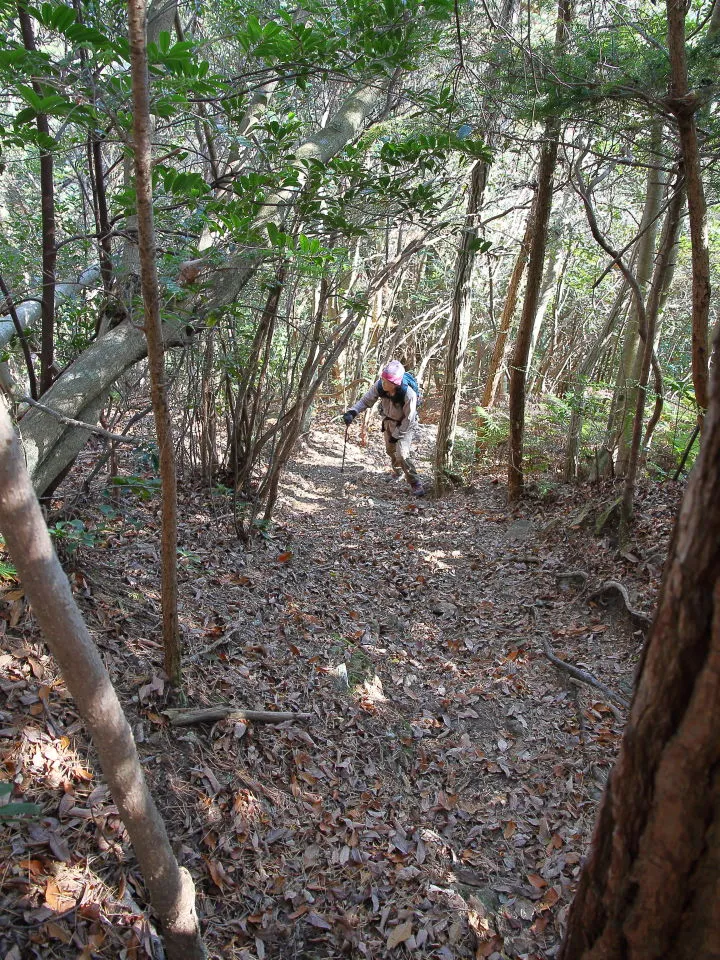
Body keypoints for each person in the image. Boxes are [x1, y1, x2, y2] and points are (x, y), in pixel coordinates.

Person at [343, 360, 425, 496]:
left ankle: (415, 483)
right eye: (382, 379)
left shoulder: (408, 394)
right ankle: (398, 471)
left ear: (395, 383)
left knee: (402, 454)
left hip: (405, 425)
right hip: (388, 422)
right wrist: (353, 412)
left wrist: (396, 435)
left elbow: (409, 419)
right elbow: (365, 400)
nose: (382, 382)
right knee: (390, 450)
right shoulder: (380, 386)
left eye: (386, 381)